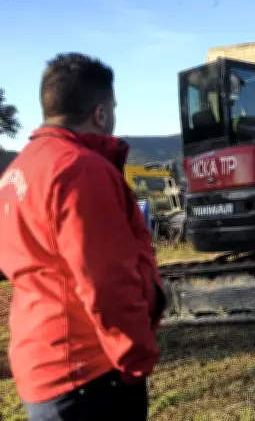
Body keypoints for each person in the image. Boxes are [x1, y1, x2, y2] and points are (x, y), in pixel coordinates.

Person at [0, 53, 165, 421]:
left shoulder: (17, 172)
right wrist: (137, 356)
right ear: (101, 113)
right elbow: (106, 282)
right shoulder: (80, 170)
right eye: (113, 108)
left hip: (41, 364)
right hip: (88, 373)